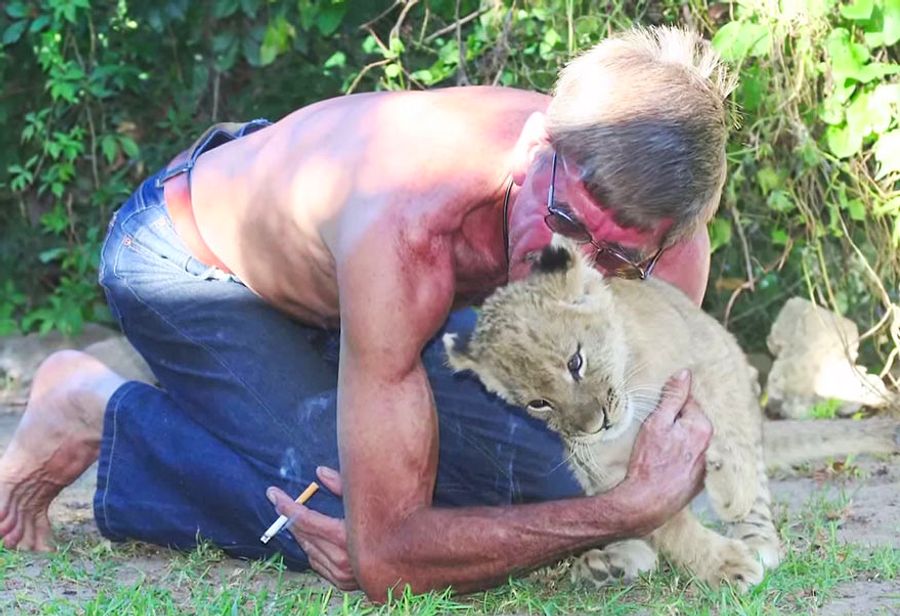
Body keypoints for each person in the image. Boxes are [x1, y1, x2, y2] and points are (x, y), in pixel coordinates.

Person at [0, 26, 730, 600]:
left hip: (365, 303)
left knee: (540, 478)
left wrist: (630, 484)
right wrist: (622, 513)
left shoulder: (667, 245)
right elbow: (388, 562)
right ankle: (97, 408)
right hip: (194, 265)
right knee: (336, 523)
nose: (573, 264)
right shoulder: (409, 213)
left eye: (618, 258)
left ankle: (309, 407)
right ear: (537, 146)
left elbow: (640, 443)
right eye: (565, 219)